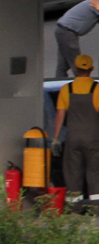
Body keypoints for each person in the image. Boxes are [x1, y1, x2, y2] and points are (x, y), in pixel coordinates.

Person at [52, 55, 99, 200]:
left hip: (73, 139)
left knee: (72, 173)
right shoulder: (96, 89)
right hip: (93, 139)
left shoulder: (67, 89)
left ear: (75, 69)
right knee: (95, 173)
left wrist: (55, 139)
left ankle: (74, 210)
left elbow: (60, 115)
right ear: (92, 69)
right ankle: (96, 209)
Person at [54, 0, 99, 78]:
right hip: (67, 32)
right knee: (79, 64)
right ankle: (83, 88)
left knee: (63, 64)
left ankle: (58, 86)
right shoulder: (96, 2)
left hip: (63, 30)